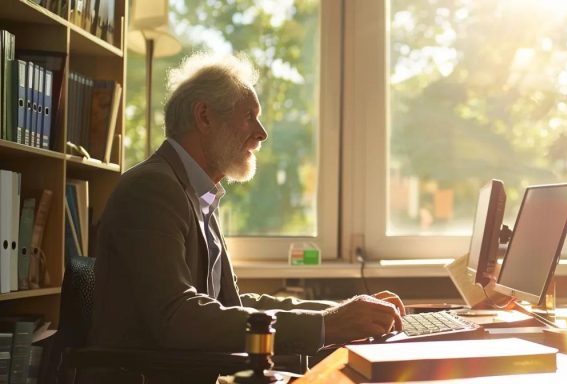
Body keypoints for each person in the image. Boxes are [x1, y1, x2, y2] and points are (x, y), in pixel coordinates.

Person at [90, 52, 405, 365]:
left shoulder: (194, 191)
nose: (262, 133)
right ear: (204, 117)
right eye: (249, 116)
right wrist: (328, 324)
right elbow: (178, 317)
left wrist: (345, 310)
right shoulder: (151, 189)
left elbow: (233, 304)